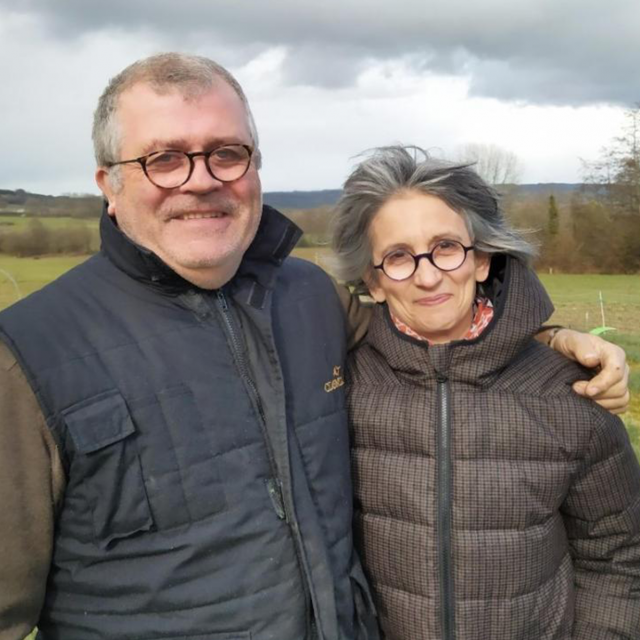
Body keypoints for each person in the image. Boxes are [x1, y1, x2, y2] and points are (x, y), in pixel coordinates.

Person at [0, 54, 628, 640]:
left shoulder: (311, 297)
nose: (200, 181)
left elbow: (441, 332)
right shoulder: (26, 355)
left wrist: (546, 340)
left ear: (255, 167)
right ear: (109, 183)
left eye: (227, 153)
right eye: (163, 158)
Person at [331, 146, 640, 639]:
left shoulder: (570, 392)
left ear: (481, 260)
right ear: (375, 281)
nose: (428, 274)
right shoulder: (339, 390)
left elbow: (619, 557)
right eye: (398, 257)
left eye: (447, 247)